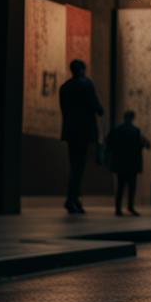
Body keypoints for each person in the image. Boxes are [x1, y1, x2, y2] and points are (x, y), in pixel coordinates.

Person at [59, 59, 104, 214]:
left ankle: (74, 199)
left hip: (70, 132)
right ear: (82, 70)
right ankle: (72, 199)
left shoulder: (64, 87)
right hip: (84, 132)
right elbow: (95, 105)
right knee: (79, 167)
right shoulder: (86, 84)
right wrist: (100, 110)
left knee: (74, 165)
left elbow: (64, 111)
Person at [107, 110, 149, 216]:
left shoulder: (117, 130)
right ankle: (130, 206)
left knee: (120, 187)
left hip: (121, 163)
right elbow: (142, 144)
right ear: (132, 118)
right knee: (131, 187)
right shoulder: (135, 131)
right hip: (132, 163)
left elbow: (109, 143)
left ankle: (118, 208)